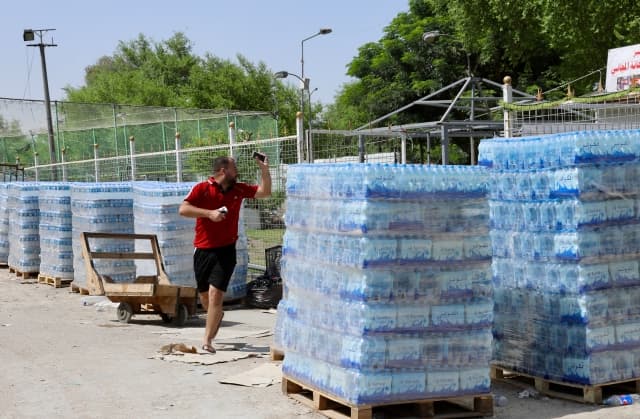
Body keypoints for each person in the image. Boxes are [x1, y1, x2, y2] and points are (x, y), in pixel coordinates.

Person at [179, 154, 271, 353]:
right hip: (203, 250)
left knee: (215, 295)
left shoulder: (239, 189)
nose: (237, 171)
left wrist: (264, 169)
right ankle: (216, 315)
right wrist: (209, 213)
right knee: (205, 297)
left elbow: (264, 192)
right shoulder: (202, 188)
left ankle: (207, 340)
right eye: (234, 167)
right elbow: (183, 209)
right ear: (223, 171)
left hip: (226, 251)